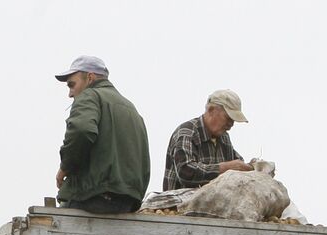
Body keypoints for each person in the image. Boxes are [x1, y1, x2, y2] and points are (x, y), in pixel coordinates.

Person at [53, 56, 150, 214]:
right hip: (128, 202)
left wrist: (65, 167)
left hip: (96, 196)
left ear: (90, 78)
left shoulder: (89, 96)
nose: (70, 94)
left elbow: (82, 131)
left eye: (72, 84)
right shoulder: (131, 109)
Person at [163, 90, 253, 190]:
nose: (231, 124)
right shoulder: (187, 132)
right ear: (211, 110)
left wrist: (253, 167)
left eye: (233, 120)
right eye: (228, 118)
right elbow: (186, 172)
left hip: (211, 203)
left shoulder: (224, 138)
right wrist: (224, 168)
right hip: (179, 203)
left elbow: (237, 163)